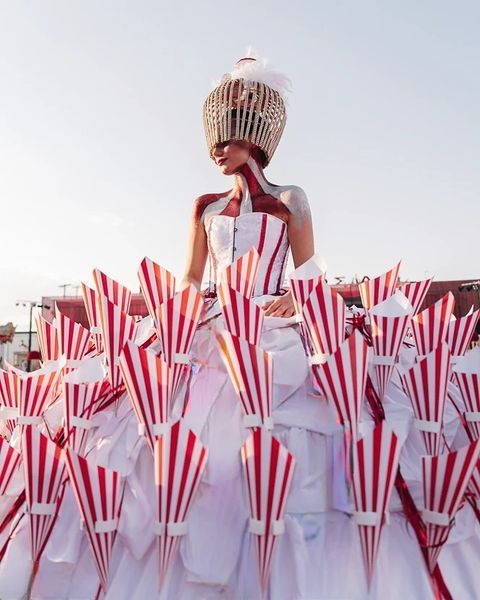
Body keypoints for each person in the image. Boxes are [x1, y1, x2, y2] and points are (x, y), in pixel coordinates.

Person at [0, 55, 479, 600]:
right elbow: (190, 276)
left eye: (226, 140)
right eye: (215, 142)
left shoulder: (290, 200)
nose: (217, 152)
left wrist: (298, 302)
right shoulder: (204, 207)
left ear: (252, 137)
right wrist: (170, 318)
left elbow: (310, 269)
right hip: (208, 327)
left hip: (279, 320)